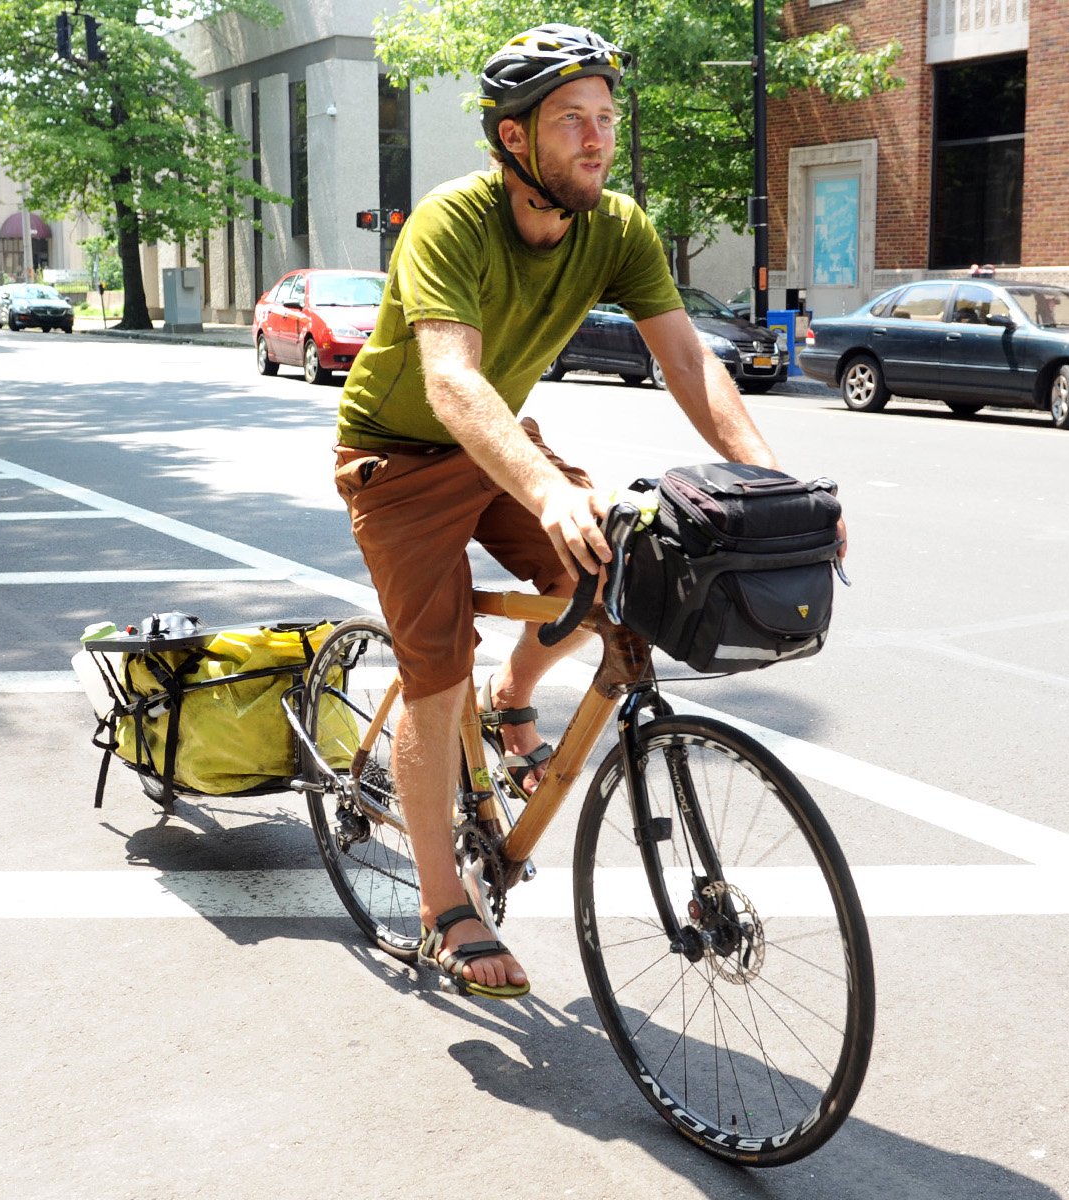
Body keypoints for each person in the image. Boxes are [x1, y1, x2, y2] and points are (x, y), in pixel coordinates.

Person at [333, 25, 835, 999]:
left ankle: (512, 697)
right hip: (395, 461)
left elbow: (686, 361)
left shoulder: (617, 228)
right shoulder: (449, 222)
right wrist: (551, 488)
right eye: (572, 121)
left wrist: (773, 482)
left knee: (609, 577)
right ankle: (445, 905)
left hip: (497, 447)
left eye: (606, 118)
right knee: (432, 676)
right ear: (514, 140)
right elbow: (449, 381)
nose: (598, 138)